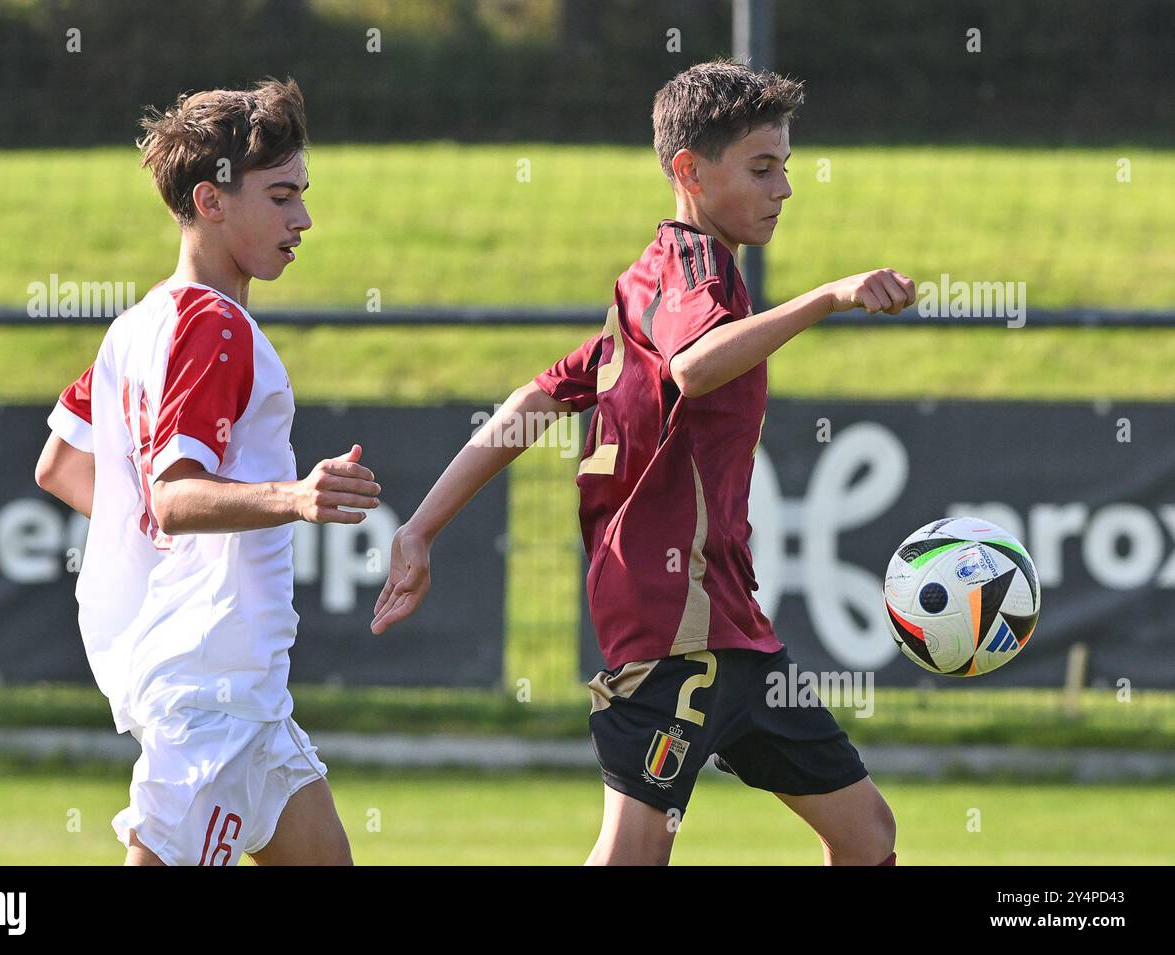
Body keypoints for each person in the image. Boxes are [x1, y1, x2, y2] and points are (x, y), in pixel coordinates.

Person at [371, 60, 912, 866]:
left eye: (786, 168)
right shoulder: (693, 269)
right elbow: (695, 365)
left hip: (733, 626)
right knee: (631, 854)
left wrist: (420, 528)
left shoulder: (649, 287)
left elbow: (535, 402)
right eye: (763, 168)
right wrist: (827, 298)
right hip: (673, 623)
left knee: (867, 834)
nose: (784, 189)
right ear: (688, 172)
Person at [35, 78, 381, 866]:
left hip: (244, 693)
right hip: (211, 695)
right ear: (212, 200)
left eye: (304, 195)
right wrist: (294, 496)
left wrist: (168, 539)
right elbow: (173, 494)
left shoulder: (140, 321)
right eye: (282, 195)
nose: (304, 218)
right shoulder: (213, 324)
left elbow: (61, 464)